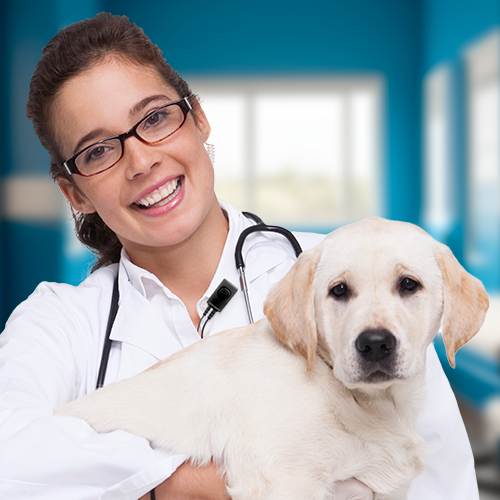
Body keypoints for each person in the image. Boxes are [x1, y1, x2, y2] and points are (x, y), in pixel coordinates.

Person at [0, 12, 478, 500]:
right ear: (73, 193)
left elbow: (444, 484)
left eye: (155, 118)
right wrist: (174, 485)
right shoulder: (58, 323)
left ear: (199, 117)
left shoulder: (342, 265)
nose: (142, 161)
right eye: (98, 151)